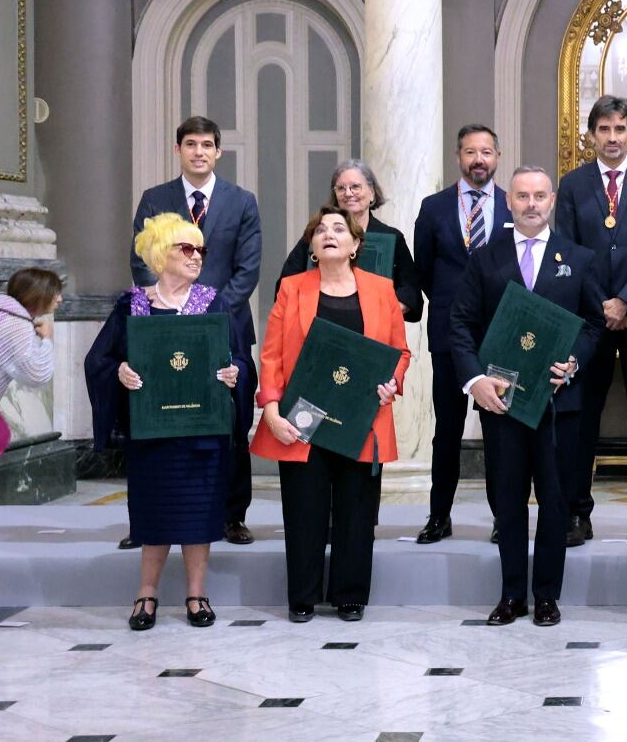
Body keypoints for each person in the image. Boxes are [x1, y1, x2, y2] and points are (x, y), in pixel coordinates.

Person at [451, 167, 605, 628]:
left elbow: (594, 324)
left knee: (555, 502)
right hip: (502, 404)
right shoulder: (484, 258)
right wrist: (475, 380)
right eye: (522, 196)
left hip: (560, 405)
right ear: (510, 201)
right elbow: (459, 325)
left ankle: (546, 597)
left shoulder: (579, 258)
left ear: (552, 199)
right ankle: (511, 595)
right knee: (508, 499)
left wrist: (574, 363)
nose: (531, 204)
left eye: (539, 195)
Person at [87, 214, 253, 630]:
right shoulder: (133, 304)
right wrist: (120, 371)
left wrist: (234, 373)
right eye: (186, 249)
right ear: (161, 255)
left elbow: (239, 358)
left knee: (198, 515)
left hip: (202, 432)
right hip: (154, 433)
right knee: (154, 512)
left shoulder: (213, 303)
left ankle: (197, 594)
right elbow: (99, 360)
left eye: (201, 250)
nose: (197, 257)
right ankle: (147, 594)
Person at [251, 205, 409, 623]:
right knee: (304, 506)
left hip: (362, 416)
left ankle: (349, 594)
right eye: (320, 230)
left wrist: (392, 382)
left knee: (357, 509)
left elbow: (400, 352)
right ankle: (302, 596)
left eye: (339, 228)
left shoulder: (381, 290)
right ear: (313, 247)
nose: (329, 234)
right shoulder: (292, 288)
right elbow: (271, 355)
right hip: (302, 417)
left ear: (356, 244)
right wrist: (270, 409)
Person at [130, 116, 261, 547]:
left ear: (219, 151)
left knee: (230, 423)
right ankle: (149, 520)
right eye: (191, 144)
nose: (199, 151)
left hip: (227, 331)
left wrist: (207, 312)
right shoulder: (155, 199)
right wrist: (177, 313)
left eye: (207, 144)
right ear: (178, 150)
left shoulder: (241, 201)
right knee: (161, 422)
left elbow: (247, 270)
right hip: (164, 330)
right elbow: (140, 261)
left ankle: (232, 515)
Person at [553, 95, 627, 548]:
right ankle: (576, 514)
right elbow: (565, 251)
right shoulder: (572, 184)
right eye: (604, 129)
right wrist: (602, 303)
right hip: (588, 319)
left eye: (620, 129)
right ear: (591, 135)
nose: (613, 137)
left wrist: (625, 300)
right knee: (581, 420)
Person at [412, 124, 515, 544]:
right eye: (471, 151)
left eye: (487, 152)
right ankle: (439, 516)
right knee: (447, 430)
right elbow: (423, 270)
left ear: (497, 157)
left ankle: (502, 517)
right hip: (449, 336)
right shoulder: (433, 208)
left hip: (500, 336)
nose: (479, 159)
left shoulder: (513, 207)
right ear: (459, 156)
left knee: (499, 434)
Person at [275, 159, 423, 321]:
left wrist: (386, 313)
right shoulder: (317, 237)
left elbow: (410, 291)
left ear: (372, 192)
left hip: (377, 331)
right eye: (341, 188)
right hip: (324, 325)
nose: (348, 193)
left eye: (355, 187)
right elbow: (286, 283)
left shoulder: (392, 237)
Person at [0, 269, 62, 476]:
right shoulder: (15, 324)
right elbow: (36, 373)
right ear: (39, 294)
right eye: (55, 293)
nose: (60, 299)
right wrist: (46, 340)